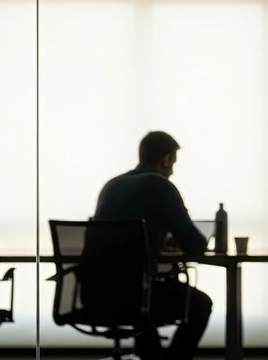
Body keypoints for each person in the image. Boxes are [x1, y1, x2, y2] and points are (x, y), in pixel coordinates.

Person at [94, 130, 212, 360]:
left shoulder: (111, 185)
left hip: (96, 295)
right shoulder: (160, 185)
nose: (172, 171)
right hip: (138, 295)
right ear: (166, 159)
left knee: (145, 296)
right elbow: (196, 245)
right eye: (173, 165)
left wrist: (159, 240)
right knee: (200, 304)